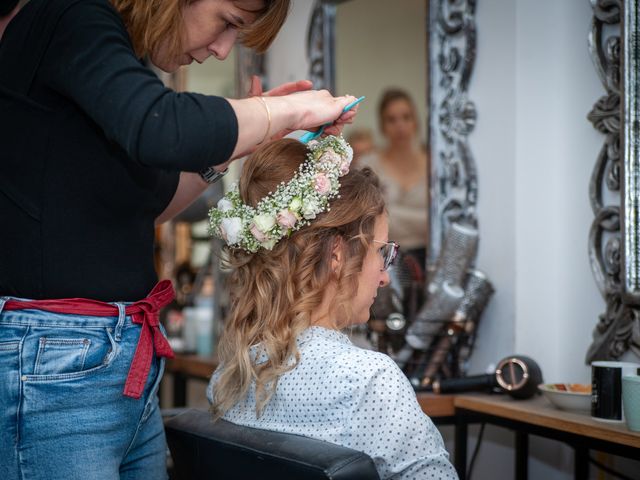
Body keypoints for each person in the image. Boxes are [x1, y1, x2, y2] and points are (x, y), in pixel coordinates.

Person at [0, 0, 358, 478]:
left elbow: (153, 207)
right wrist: (282, 108)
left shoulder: (108, 58)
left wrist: (246, 140)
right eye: (228, 22)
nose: (220, 49)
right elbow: (162, 126)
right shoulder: (75, 15)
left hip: (122, 359)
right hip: (58, 361)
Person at [206, 136, 457, 479]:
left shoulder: (229, 376)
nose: (384, 277)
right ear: (337, 254)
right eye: (381, 252)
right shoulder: (369, 381)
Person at [359, 88, 429, 268]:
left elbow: (438, 221)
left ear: (416, 121)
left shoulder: (434, 165)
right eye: (391, 119)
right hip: (383, 258)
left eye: (406, 117)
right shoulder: (368, 165)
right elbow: (366, 218)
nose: (400, 126)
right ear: (382, 125)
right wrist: (422, 220)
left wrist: (391, 214)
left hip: (430, 257)